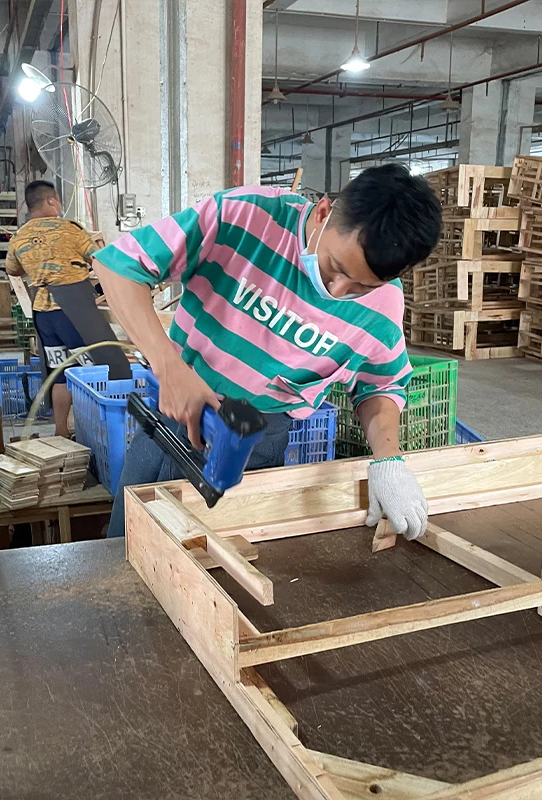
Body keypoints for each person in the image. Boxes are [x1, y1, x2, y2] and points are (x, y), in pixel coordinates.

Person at [94, 163, 442, 540]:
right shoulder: (245, 216)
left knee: (222, 559)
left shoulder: (383, 308)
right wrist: (169, 367)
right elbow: (119, 267)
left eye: (361, 287)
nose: (337, 291)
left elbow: (380, 385)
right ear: (323, 213)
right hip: (174, 414)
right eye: (334, 268)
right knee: (127, 546)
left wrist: (388, 460)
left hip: (257, 445)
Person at [5, 180, 104, 438]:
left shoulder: (19, 237)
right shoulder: (71, 230)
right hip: (74, 311)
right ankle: (95, 436)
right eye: (57, 200)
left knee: (60, 373)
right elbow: (100, 259)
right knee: (92, 371)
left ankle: (61, 431)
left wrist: (37, 263)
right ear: (51, 200)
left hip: (44, 315)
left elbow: (12, 269)